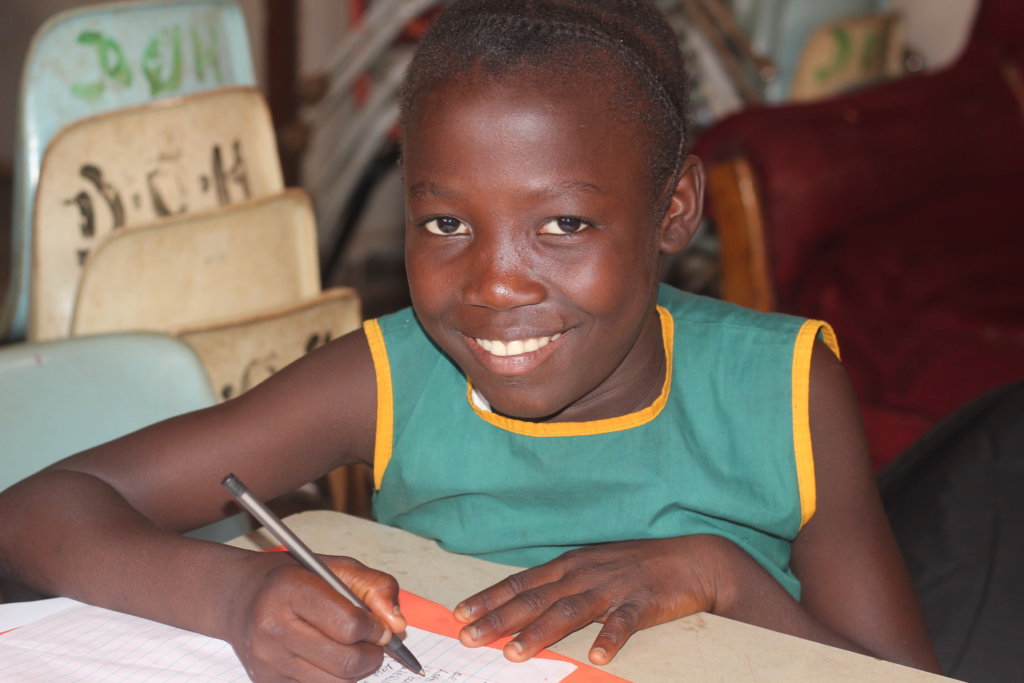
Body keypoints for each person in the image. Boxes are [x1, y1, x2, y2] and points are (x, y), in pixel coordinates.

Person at [0, 0, 940, 680]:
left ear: (673, 208)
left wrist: (721, 574)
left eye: (564, 225)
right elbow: (42, 509)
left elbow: (901, 676)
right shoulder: (389, 375)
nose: (495, 283)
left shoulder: (782, 386)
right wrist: (238, 598)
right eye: (446, 224)